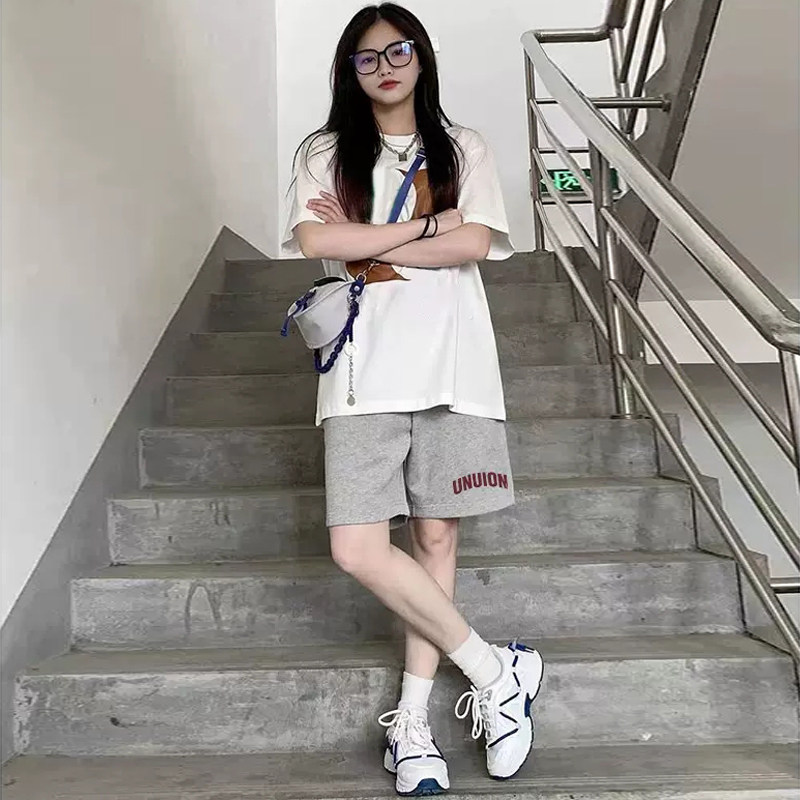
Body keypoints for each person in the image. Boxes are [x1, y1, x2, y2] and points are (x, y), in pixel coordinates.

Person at [282, 4, 544, 796]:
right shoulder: (325, 152)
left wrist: (368, 236)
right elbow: (317, 242)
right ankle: (495, 672)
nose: (385, 67)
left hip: (456, 368)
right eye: (367, 57)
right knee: (358, 547)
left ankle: (415, 726)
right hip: (360, 373)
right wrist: (432, 225)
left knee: (435, 538)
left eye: (398, 51)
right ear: (349, 72)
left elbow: (476, 244)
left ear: (421, 57)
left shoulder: (464, 147)